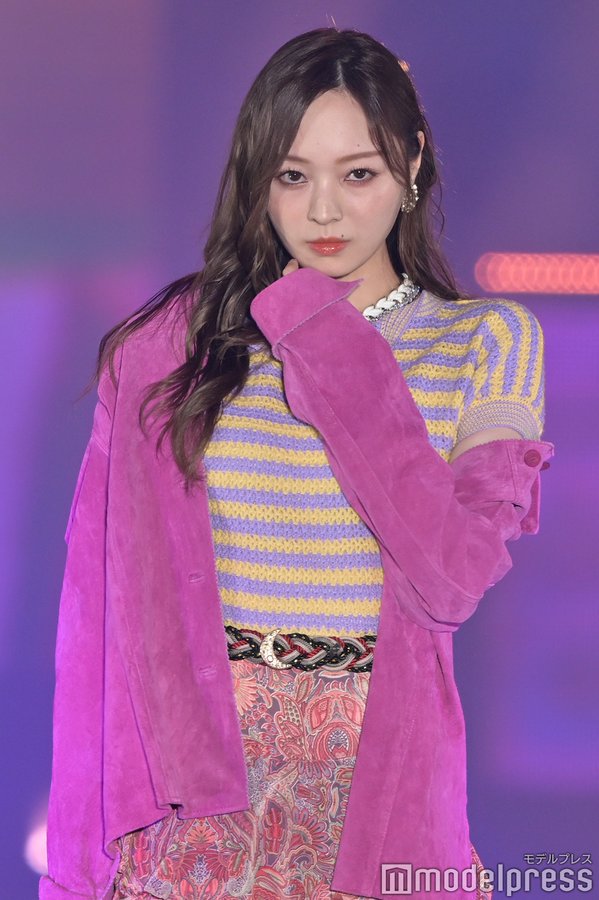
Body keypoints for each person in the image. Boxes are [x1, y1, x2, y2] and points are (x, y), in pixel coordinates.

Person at [41, 27, 554, 900]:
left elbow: (452, 579)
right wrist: (77, 867)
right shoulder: (171, 346)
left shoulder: (484, 338)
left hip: (372, 788)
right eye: (291, 175)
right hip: (190, 794)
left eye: (357, 174)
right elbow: (99, 612)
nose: (322, 212)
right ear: (258, 179)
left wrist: (325, 338)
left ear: (411, 164)